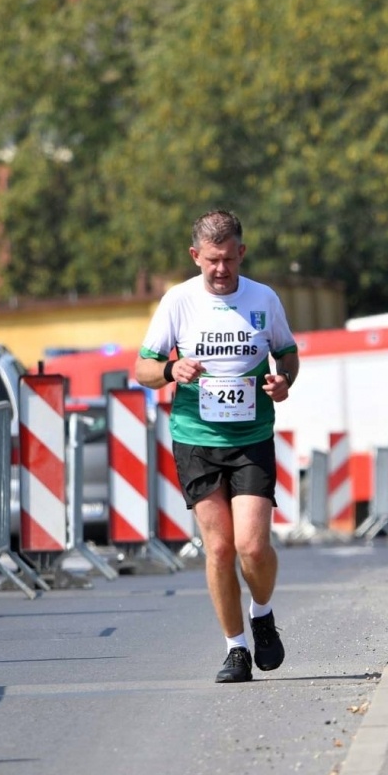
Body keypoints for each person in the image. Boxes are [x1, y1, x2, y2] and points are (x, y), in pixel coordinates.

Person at [135, 210, 300, 682]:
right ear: (195, 257)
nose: (221, 269)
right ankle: (236, 650)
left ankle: (262, 612)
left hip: (251, 438)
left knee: (252, 545)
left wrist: (282, 380)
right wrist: (171, 371)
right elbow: (142, 369)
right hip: (196, 438)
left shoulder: (264, 299)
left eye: (229, 259)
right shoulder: (178, 301)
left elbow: (287, 353)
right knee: (221, 549)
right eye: (211, 261)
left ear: (241, 253)